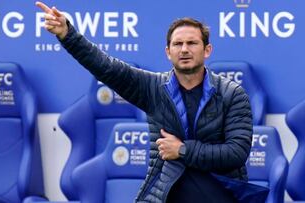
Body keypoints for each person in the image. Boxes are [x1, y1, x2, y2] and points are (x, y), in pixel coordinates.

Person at [36, 2, 268, 203]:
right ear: (168, 52)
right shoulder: (153, 89)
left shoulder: (232, 94)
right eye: (178, 44)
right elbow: (106, 67)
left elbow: (236, 153)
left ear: (207, 50)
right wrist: (68, 35)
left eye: (192, 43)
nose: (184, 49)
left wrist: (182, 150)